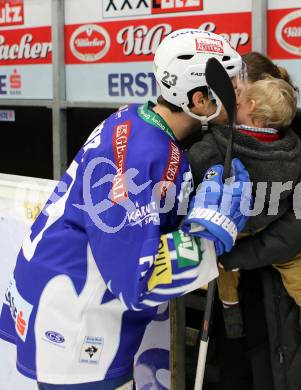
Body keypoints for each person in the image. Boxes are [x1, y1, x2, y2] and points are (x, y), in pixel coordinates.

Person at [0, 29, 250, 390]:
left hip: (73, 302)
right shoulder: (141, 154)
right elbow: (138, 279)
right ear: (198, 100)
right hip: (76, 322)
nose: (240, 92)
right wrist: (212, 234)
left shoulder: (139, 122)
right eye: (230, 86)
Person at [188, 52, 301, 390]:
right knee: (237, 369)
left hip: (286, 300)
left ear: (255, 98)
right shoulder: (225, 139)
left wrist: (234, 255)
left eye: (235, 87)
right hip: (239, 297)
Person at [214, 75, 301, 339]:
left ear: (251, 106)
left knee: (223, 262)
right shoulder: (291, 146)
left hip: (238, 221)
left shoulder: (231, 139)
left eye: (241, 100)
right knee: (295, 259)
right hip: (272, 218)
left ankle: (230, 309)